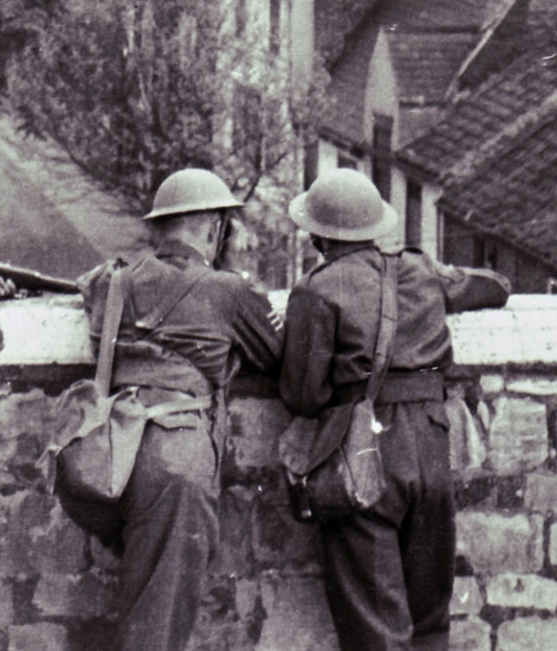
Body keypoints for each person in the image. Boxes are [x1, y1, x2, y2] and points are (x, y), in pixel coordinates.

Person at [280, 169, 510, 651]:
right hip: (430, 446)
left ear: (319, 236)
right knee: (430, 622)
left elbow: (304, 396)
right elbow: (495, 287)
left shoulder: (315, 290)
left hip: (365, 454)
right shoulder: (420, 270)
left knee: (377, 628)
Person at [61, 168, 283, 651]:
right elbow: (279, 354)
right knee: (159, 624)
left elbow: (81, 292)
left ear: (159, 227)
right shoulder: (228, 291)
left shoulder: (111, 279)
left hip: (109, 452)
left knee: (144, 604)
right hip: (176, 458)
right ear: (211, 226)